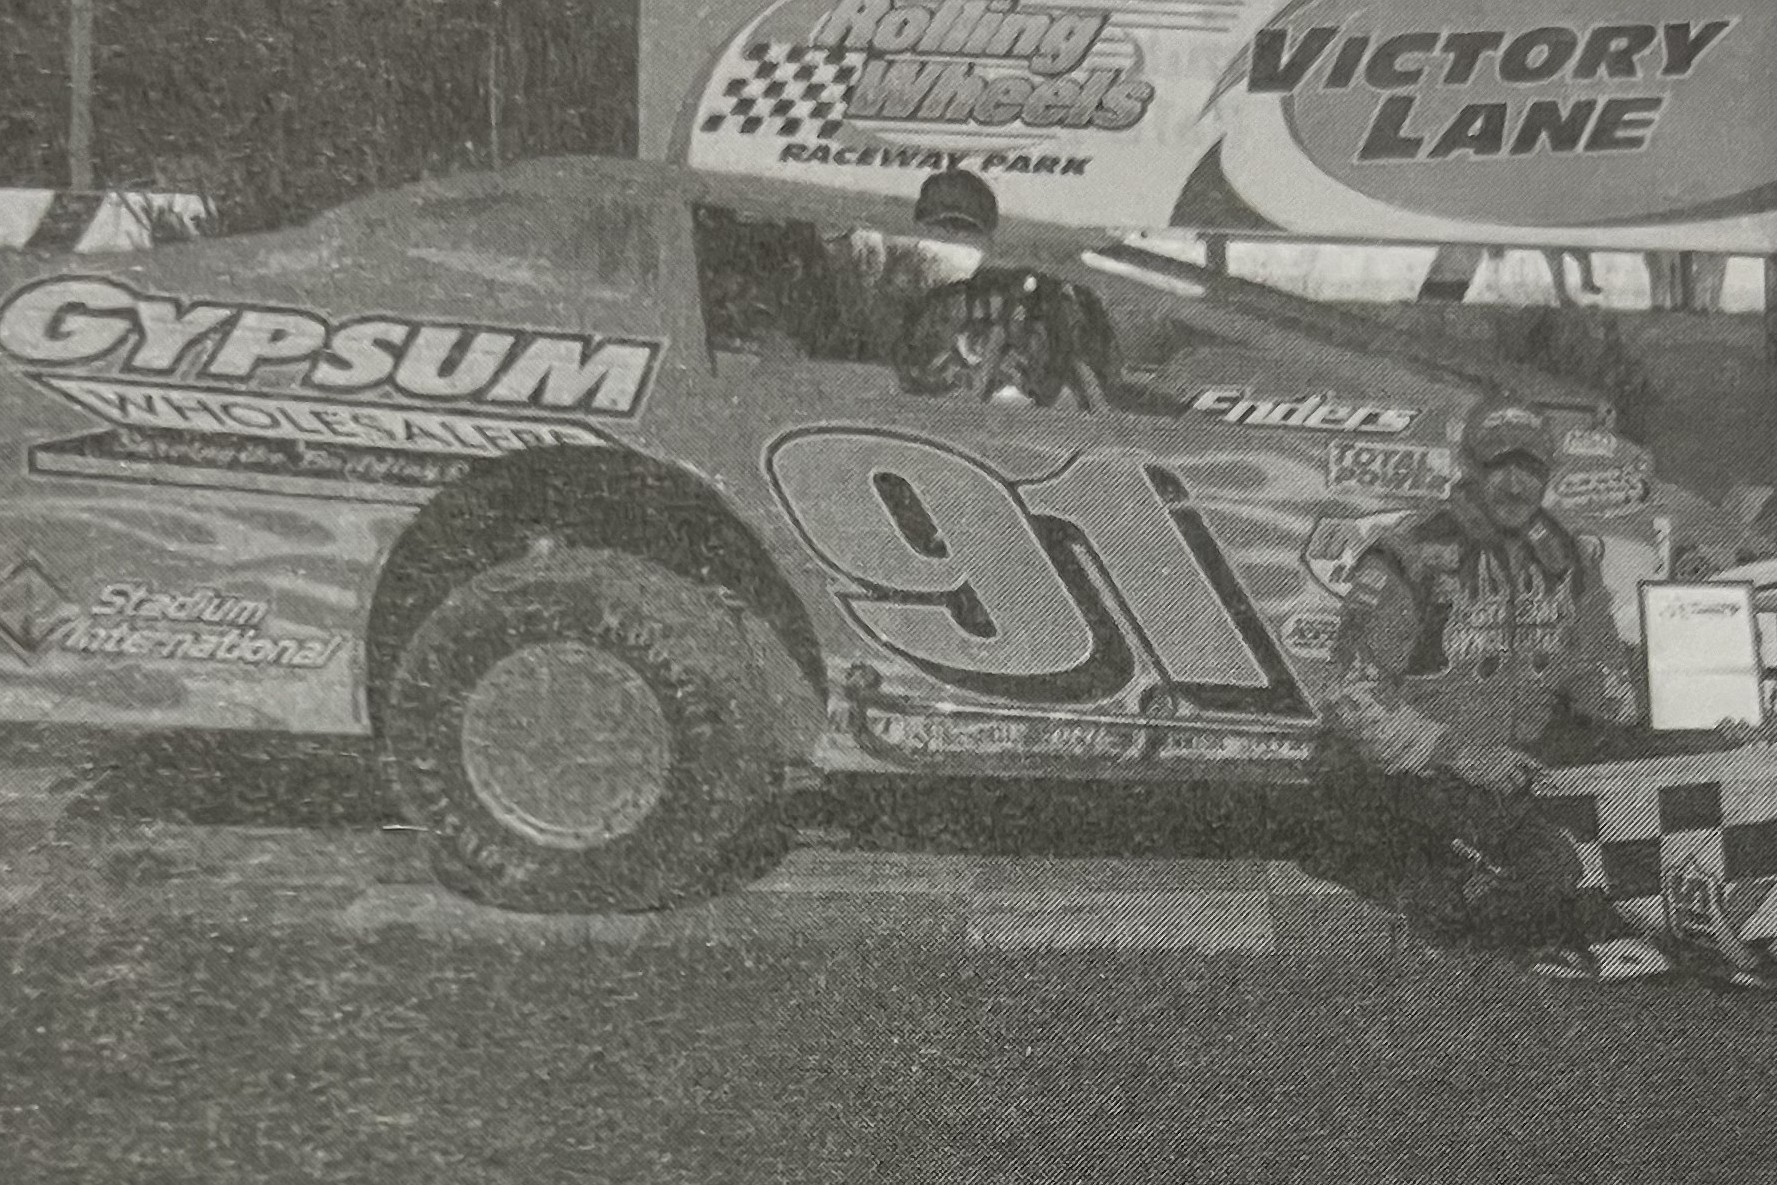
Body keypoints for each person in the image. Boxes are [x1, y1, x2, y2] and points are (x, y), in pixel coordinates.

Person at [1324, 399, 1656, 978]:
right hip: (1422, 776)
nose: (1515, 483)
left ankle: (1491, 901)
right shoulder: (1410, 553)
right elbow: (1350, 696)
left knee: (1626, 857)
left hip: (1521, 773)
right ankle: (1444, 915)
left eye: (1531, 469)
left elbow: (1599, 679)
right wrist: (1459, 752)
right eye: (1499, 464)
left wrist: (1682, 715)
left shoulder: (1567, 556)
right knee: (1552, 872)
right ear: (1467, 467)